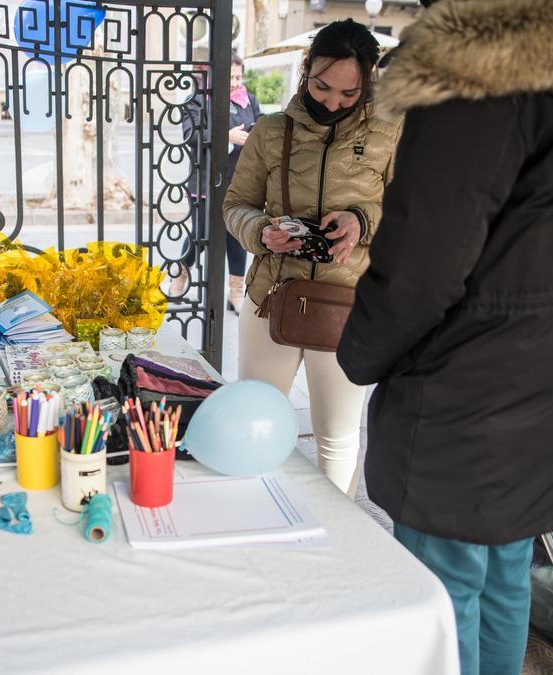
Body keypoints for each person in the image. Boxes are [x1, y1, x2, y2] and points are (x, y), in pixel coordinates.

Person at [335, 1, 553, 673]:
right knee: (502, 577)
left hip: (474, 400)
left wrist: (360, 351)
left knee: (443, 596)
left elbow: (421, 263)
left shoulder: (480, 72)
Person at [223, 19, 402, 494]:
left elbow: (412, 213)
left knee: (337, 439)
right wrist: (262, 231)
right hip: (270, 298)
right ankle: (261, 525)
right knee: (258, 428)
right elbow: (234, 205)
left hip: (348, 306)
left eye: (349, 93)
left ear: (368, 82)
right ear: (306, 71)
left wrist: (361, 222)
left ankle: (333, 548)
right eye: (322, 86)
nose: (332, 102)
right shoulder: (270, 130)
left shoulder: (392, 132)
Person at [172, 53, 261, 314]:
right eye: (229, 77)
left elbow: (262, 128)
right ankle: (180, 274)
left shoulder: (249, 101)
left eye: (238, 76)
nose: (234, 82)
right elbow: (190, 134)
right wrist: (227, 136)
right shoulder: (198, 100)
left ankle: (235, 292)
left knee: (237, 236)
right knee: (201, 234)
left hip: (239, 181)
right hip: (205, 183)